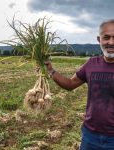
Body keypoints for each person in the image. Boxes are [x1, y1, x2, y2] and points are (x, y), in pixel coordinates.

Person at [45, 19, 114, 150]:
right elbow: (70, 84)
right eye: (106, 38)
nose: (111, 42)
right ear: (99, 40)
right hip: (90, 135)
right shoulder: (91, 64)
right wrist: (50, 70)